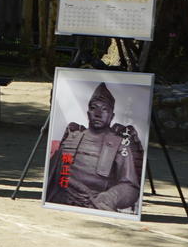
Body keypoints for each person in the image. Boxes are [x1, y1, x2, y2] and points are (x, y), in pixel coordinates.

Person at [44, 83, 144, 213]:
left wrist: (109, 198)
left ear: (112, 116)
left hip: (95, 204)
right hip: (61, 201)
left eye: (104, 109)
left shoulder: (119, 144)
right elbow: (52, 175)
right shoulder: (72, 137)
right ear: (88, 113)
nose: (98, 114)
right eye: (93, 108)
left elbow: (130, 186)